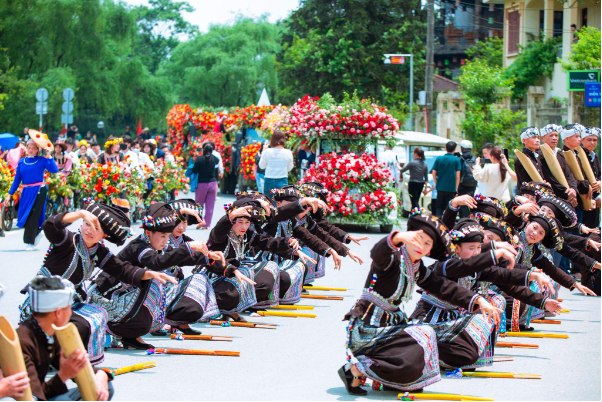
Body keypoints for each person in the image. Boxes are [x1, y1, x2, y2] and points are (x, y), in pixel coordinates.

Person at [339, 211, 501, 395]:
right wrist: (397, 237)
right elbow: (377, 253)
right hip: (369, 327)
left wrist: (479, 300)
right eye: (417, 238)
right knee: (424, 334)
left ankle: (391, 379)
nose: (420, 246)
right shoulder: (391, 258)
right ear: (408, 237)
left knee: (416, 357)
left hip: (391, 325)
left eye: (427, 243)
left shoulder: (416, 267)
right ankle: (355, 370)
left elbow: (444, 287)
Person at [19, 204, 174, 364]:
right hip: (41, 304)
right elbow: (49, 225)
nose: (90, 230)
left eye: (97, 228)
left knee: (96, 316)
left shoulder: (99, 253)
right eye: (88, 224)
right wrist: (78, 213)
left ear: (105, 235)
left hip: (66, 306)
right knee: (77, 324)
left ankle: (70, 361)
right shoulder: (67, 240)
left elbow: (123, 270)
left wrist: (149, 274)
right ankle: (48, 354)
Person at [17, 277, 115, 401]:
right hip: (31, 397)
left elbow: (80, 371)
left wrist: (102, 374)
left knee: (103, 386)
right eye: (69, 309)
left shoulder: (47, 331)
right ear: (58, 313)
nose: (71, 314)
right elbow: (35, 396)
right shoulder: (24, 342)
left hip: (44, 393)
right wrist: (63, 375)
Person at [4, 135, 58, 251]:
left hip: (39, 190)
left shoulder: (42, 160)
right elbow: (17, 180)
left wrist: (49, 156)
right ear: (26, 148)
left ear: (38, 149)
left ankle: (30, 242)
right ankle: (38, 231)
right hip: (26, 191)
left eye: (34, 148)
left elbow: (54, 170)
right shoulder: (22, 162)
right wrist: (9, 194)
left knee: (34, 214)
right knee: (24, 214)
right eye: (29, 147)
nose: (31, 150)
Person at [538, 124, 579, 207]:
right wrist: (567, 193)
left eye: (556, 135)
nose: (554, 138)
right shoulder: (541, 155)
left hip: (568, 195)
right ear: (542, 138)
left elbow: (568, 174)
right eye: (551, 135)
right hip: (553, 199)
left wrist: (573, 190)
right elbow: (550, 178)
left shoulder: (559, 154)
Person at [191, 143, 219, 229]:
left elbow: (194, 170)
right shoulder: (214, 158)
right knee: (210, 205)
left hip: (201, 184)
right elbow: (218, 161)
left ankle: (201, 220)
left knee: (199, 204)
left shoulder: (199, 159)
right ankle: (206, 225)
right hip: (213, 184)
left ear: (203, 150)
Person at [259, 130, 294, 198]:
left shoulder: (267, 152)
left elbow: (261, 166)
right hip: (282, 180)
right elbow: (290, 168)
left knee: (269, 203)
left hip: (269, 180)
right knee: (281, 203)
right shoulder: (288, 153)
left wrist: (263, 151)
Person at [432, 141, 461, 218]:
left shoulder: (439, 159)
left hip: (440, 188)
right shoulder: (456, 160)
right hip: (451, 189)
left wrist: (437, 183)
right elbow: (458, 176)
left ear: (445, 148)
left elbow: (434, 173)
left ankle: (438, 226)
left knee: (439, 207)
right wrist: (456, 189)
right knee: (449, 208)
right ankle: (447, 226)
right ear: (454, 150)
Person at [580, 127, 601, 229]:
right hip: (585, 196)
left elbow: (599, 174)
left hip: (595, 194)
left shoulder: (594, 156)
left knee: (594, 226)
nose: (592, 142)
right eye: (589, 139)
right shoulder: (579, 155)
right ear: (582, 140)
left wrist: (599, 182)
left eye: (595, 140)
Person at [457, 140, 478, 218]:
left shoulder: (460, 159)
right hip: (473, 185)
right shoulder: (475, 159)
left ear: (462, 148)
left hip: (462, 186)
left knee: (463, 205)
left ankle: (463, 222)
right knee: (471, 203)